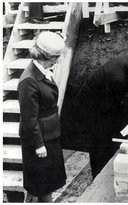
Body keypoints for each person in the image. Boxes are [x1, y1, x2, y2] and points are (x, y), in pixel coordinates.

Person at [76, 56, 128, 179]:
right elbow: (112, 110)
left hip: (100, 100)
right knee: (99, 141)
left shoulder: (126, 62)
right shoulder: (119, 79)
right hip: (91, 107)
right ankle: (98, 177)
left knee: (107, 134)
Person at [17, 31, 66, 202]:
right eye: (55, 57)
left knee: (49, 182)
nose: (57, 61)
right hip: (39, 139)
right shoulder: (28, 81)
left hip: (49, 134)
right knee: (42, 185)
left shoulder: (43, 71)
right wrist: (38, 145)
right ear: (45, 56)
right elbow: (29, 118)